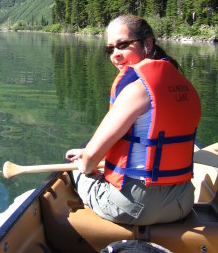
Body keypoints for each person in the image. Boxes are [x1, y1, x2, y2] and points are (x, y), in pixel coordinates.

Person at [66, 14, 201, 225]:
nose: (115, 55)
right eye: (110, 49)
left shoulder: (136, 91)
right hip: (182, 202)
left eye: (123, 45)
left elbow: (90, 158)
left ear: (147, 44)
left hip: (137, 205)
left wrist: (87, 165)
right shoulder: (184, 86)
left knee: (76, 169)